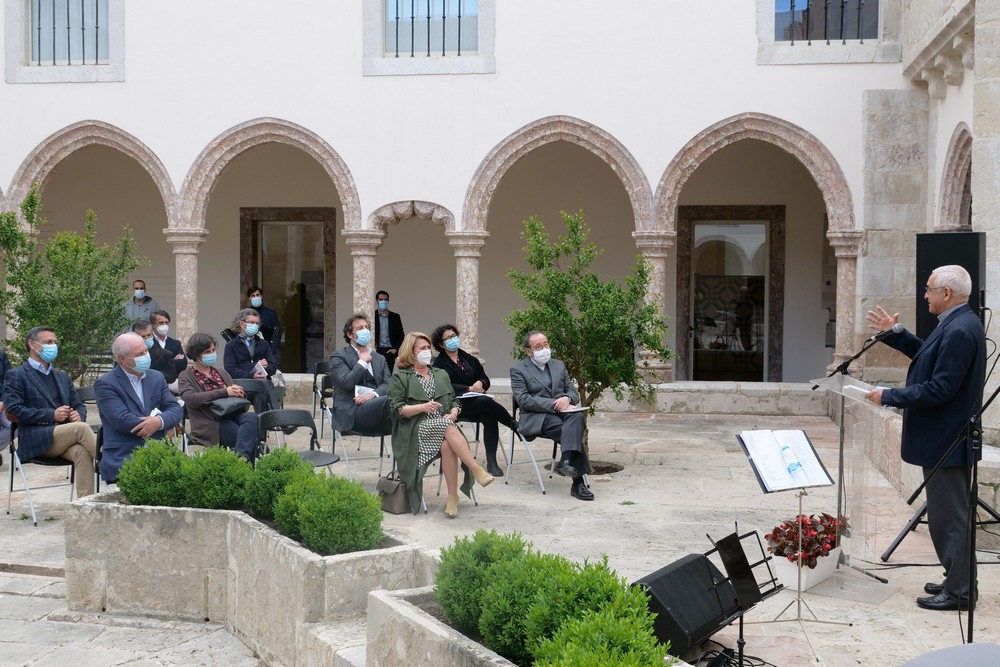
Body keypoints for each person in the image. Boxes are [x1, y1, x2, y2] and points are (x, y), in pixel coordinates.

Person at [864, 264, 985, 612]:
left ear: (946, 293)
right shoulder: (955, 322)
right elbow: (927, 357)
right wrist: (896, 333)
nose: (926, 294)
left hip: (946, 441)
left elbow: (940, 388)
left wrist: (889, 395)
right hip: (943, 440)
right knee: (949, 517)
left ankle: (961, 592)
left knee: (950, 519)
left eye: (929, 289)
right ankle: (957, 577)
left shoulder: (960, 329)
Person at [389, 332, 493, 518]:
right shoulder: (401, 376)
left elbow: (455, 401)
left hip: (441, 428)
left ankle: (452, 497)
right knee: (447, 426)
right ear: (411, 352)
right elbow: (397, 409)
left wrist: (454, 413)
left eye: (428, 347)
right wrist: (422, 407)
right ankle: (475, 468)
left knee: (447, 445)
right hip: (414, 429)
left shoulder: (440, 374)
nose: (427, 351)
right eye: (422, 348)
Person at [3, 326, 97, 497]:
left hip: (63, 437)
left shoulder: (61, 376)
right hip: (36, 438)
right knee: (81, 429)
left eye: (55, 342)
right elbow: (13, 409)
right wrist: (50, 415)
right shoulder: (16, 375)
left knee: (82, 452)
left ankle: (86, 505)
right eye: (48, 342)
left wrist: (78, 415)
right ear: (32, 344)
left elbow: (79, 405)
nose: (53, 346)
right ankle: (116, 468)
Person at [510, 330, 594, 501]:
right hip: (536, 417)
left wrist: (567, 398)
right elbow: (524, 399)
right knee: (570, 430)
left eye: (546, 344)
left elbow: (572, 391)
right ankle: (578, 483)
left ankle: (567, 460)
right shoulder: (518, 369)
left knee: (577, 418)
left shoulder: (558, 365)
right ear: (528, 351)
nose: (544, 349)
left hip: (562, 412)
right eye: (538, 346)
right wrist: (555, 404)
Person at [95, 333, 184, 482]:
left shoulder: (156, 377)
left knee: (193, 476)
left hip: (160, 449)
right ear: (122, 359)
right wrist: (156, 425)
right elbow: (121, 419)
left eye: (145, 351)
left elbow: (175, 409)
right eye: (139, 354)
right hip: (124, 453)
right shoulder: (105, 383)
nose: (146, 356)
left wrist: (159, 421)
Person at [431, 323, 515, 476]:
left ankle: (492, 462)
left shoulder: (468, 358)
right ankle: (515, 426)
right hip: (455, 405)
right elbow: (443, 386)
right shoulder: (438, 364)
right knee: (485, 402)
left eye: (454, 336)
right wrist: (468, 389)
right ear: (441, 344)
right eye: (448, 338)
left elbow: (484, 378)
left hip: (476, 402)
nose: (453, 339)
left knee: (489, 415)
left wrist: (481, 383)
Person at [178, 333, 259, 461]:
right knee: (248, 437)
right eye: (207, 351)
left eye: (213, 350)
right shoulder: (186, 376)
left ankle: (241, 459)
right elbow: (192, 399)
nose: (212, 354)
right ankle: (245, 467)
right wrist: (225, 392)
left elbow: (232, 396)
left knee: (252, 417)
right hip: (210, 421)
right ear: (196, 354)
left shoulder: (221, 373)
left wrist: (238, 392)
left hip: (231, 413)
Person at [329, 314, 393, 436]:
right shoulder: (338, 357)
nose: (365, 330)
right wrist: (362, 362)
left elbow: (388, 383)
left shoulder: (379, 358)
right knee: (392, 401)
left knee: (400, 399)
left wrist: (372, 395)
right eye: (360, 328)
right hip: (352, 411)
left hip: (376, 410)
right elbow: (346, 383)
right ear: (350, 335)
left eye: (366, 327)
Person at [223, 308, 280, 414]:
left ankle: (261, 424)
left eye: (257, 323)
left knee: (261, 392)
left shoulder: (264, 344)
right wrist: (251, 375)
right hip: (241, 384)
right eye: (252, 322)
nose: (255, 325)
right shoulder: (231, 346)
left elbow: (273, 368)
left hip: (261, 385)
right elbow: (230, 369)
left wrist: (266, 366)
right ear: (242, 324)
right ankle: (279, 418)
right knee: (264, 386)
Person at [131, 319, 179, 387]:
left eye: (149, 335)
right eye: (143, 336)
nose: (146, 338)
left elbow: (171, 377)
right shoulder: (127, 354)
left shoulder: (165, 354)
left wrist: (149, 375)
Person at [150, 310, 188, 383]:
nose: (164, 325)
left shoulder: (175, 343)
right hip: (152, 381)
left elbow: (182, 365)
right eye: (161, 323)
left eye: (166, 322)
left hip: (172, 382)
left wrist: (160, 363)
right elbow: (150, 366)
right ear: (153, 324)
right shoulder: (148, 343)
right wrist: (173, 360)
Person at [247, 286, 283, 362]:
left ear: (261, 296)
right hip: (250, 352)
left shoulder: (271, 313)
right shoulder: (245, 314)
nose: (255, 297)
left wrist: (273, 351)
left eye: (257, 295)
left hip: (268, 351)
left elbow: (277, 334)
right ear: (249, 298)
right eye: (253, 296)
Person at [374, 290, 405, 372]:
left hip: (389, 352)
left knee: (388, 376)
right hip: (377, 351)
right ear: (377, 301)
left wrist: (395, 349)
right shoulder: (372, 316)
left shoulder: (395, 317)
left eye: (386, 299)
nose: (383, 301)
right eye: (381, 299)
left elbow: (401, 334)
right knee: (376, 375)